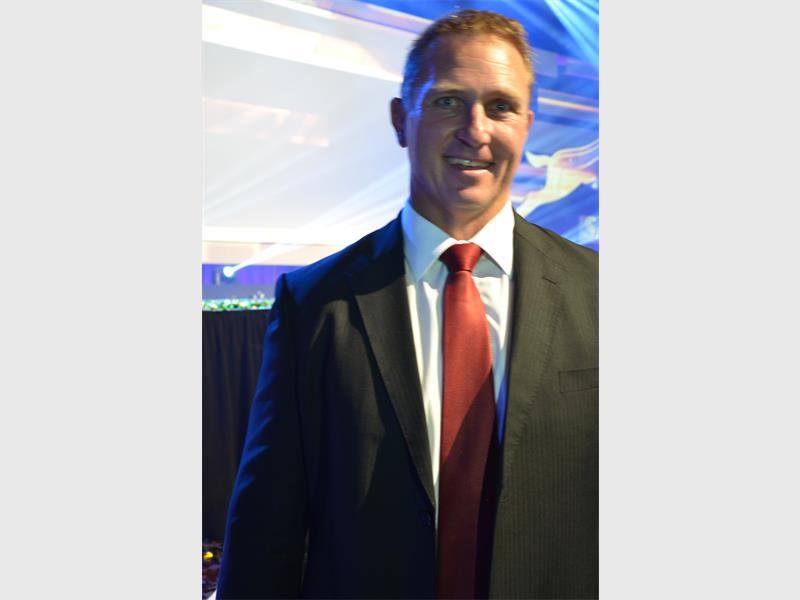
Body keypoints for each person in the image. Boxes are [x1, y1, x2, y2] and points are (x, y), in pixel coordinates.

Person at [216, 9, 597, 599]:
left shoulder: (601, 293)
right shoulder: (315, 304)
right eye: (448, 102)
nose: (475, 130)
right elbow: (266, 532)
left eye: (500, 106)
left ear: (526, 125)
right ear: (401, 119)